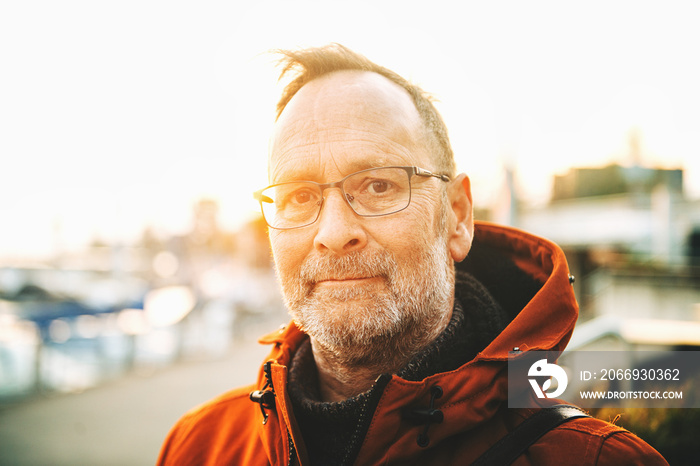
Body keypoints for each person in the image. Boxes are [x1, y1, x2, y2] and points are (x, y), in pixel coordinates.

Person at [158, 44, 667, 465]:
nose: (334, 233)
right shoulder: (198, 446)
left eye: (378, 185)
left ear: (457, 216)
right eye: (298, 196)